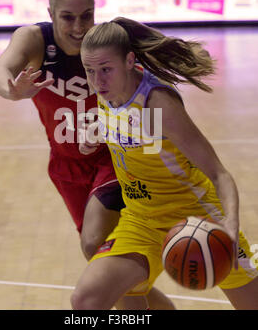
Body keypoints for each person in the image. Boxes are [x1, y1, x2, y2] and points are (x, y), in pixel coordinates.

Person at [0, 0, 174, 310]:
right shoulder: (33, 39)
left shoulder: (103, 42)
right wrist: (13, 90)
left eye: (86, 15)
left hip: (111, 157)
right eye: (67, 17)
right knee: (102, 257)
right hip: (66, 166)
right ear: (50, 13)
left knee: (94, 245)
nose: (78, 26)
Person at [71, 17, 258, 310]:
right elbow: (126, 127)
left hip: (197, 219)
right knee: (86, 301)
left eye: (105, 70)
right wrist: (93, 133)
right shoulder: (105, 91)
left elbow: (219, 174)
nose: (97, 80)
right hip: (141, 220)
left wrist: (230, 227)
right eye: (89, 71)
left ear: (130, 61)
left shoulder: (157, 103)